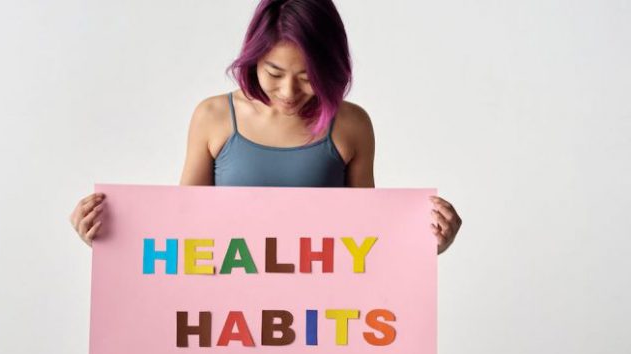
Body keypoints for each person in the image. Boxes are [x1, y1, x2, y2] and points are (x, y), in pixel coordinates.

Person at [70, 0, 461, 254]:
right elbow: (182, 233)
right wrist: (108, 238)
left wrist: (429, 243)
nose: (289, 91)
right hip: (228, 312)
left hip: (322, 317)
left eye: (308, 77)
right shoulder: (213, 118)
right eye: (274, 72)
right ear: (254, 59)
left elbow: (367, 243)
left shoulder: (351, 125)